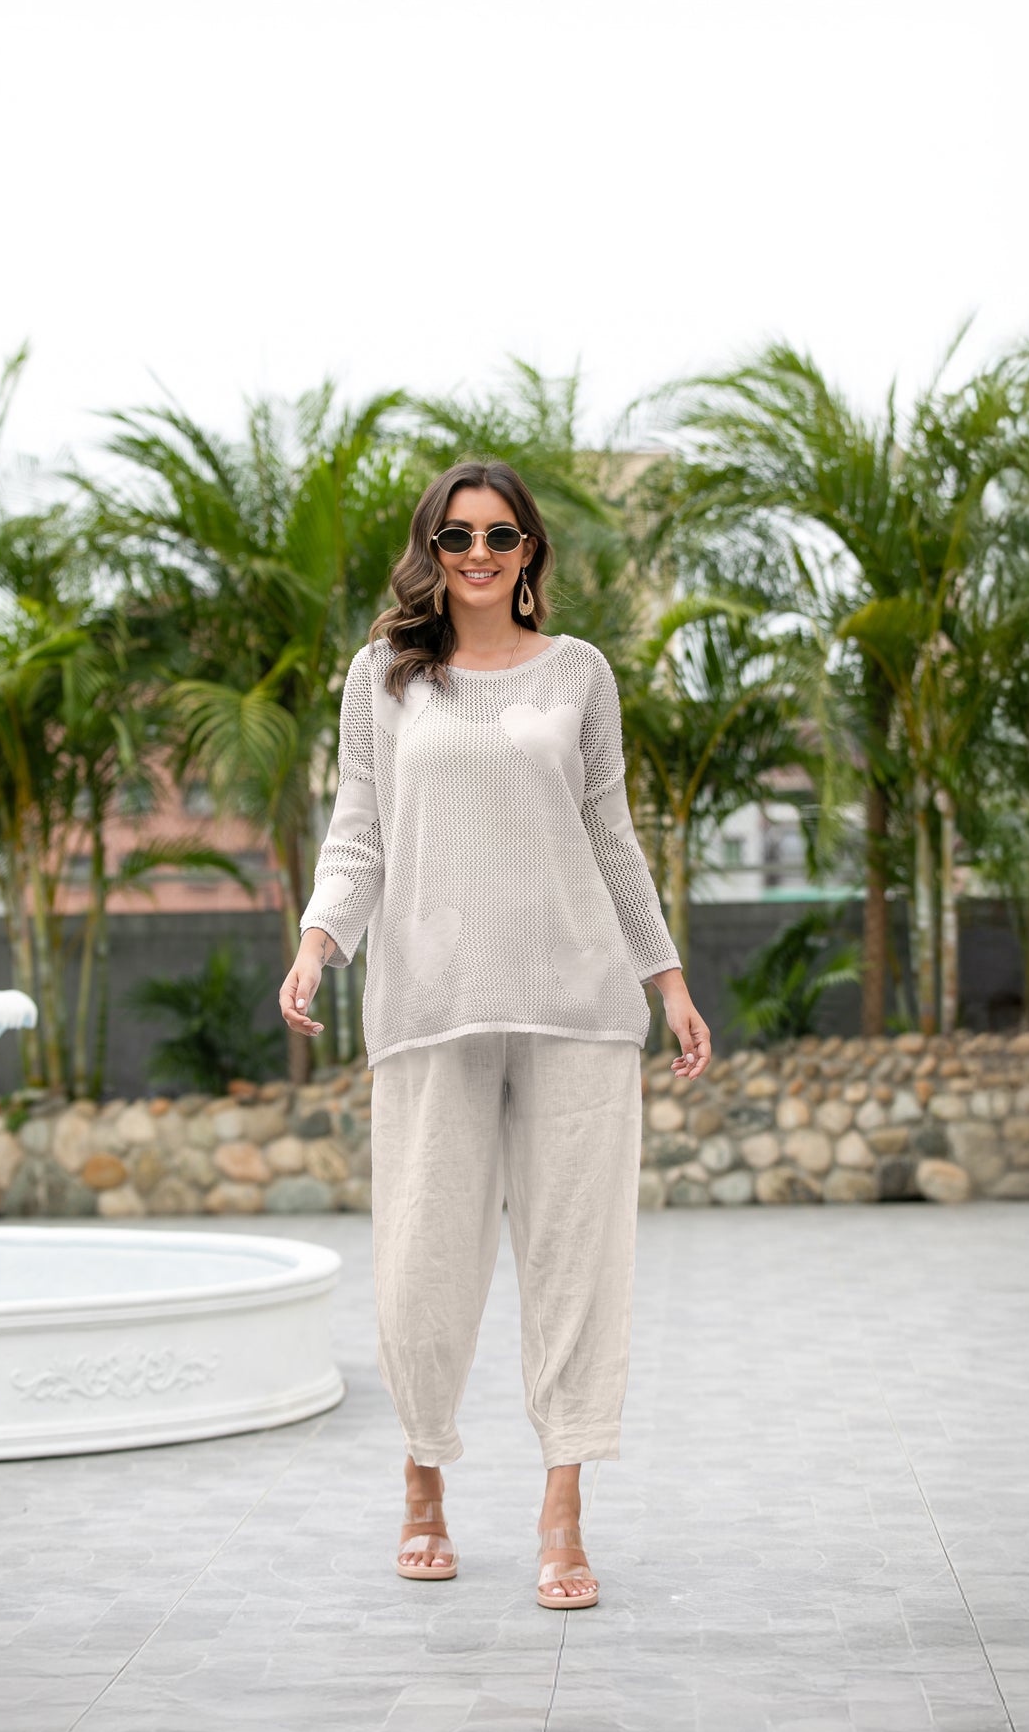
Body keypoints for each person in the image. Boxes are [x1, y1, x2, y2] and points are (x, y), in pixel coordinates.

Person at [280, 460, 711, 1609]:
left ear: (529, 553)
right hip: (429, 1005)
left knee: (577, 1259)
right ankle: (422, 1475)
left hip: (577, 1003)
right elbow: (358, 835)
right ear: (430, 548)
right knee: (423, 1258)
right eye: (457, 535)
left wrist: (666, 981)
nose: (478, 554)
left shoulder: (579, 672)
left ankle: (561, 1508)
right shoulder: (382, 676)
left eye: (500, 536)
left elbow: (609, 836)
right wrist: (317, 943)